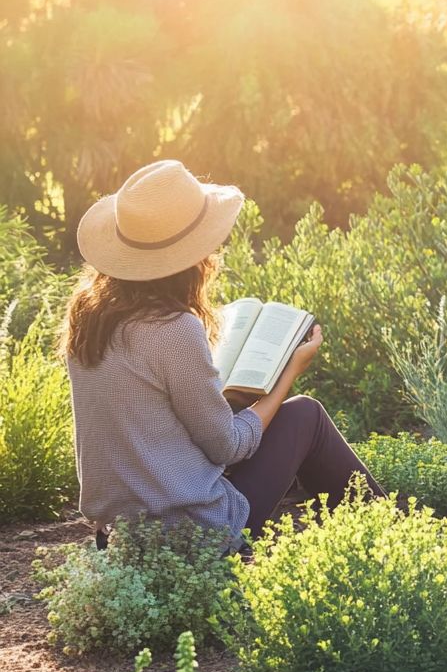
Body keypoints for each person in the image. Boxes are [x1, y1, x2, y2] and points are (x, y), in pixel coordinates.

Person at [60, 159, 385, 549]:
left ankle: (366, 542)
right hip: (191, 532)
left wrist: (230, 402)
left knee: (252, 417)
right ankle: (394, 542)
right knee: (305, 416)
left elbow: (152, 421)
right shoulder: (173, 328)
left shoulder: (88, 318)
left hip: (118, 533)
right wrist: (287, 375)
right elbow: (228, 448)